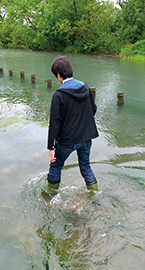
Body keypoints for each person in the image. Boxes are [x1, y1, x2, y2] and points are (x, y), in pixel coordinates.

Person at [45, 56, 99, 192]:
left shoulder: (59, 95)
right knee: (85, 167)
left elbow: (55, 123)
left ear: (58, 75)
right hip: (86, 138)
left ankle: (50, 195)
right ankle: (95, 195)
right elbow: (93, 109)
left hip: (67, 141)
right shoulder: (85, 88)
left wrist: (51, 148)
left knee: (56, 166)